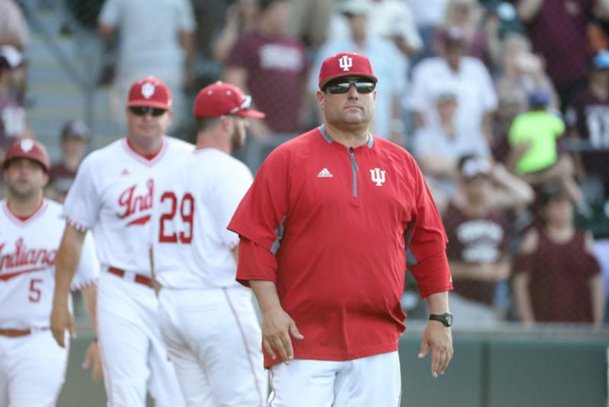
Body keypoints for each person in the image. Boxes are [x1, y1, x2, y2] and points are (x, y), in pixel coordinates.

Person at [227, 51, 454, 406]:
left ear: (375, 96)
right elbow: (254, 237)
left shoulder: (402, 163)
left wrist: (440, 316)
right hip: (302, 338)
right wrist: (270, 311)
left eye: (363, 86)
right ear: (321, 97)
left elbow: (430, 243)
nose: (353, 93)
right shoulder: (288, 158)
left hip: (376, 339)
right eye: (339, 86)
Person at [50, 77, 191, 406]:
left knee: (177, 398)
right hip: (120, 288)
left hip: (175, 288)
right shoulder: (99, 164)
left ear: (169, 116)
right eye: (139, 110)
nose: (147, 117)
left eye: (155, 111)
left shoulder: (191, 160)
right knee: (125, 396)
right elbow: (73, 235)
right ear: (126, 114)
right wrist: (60, 301)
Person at [150, 82, 267, 405]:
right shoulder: (230, 171)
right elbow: (243, 249)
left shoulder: (167, 171)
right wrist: (272, 307)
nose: (246, 125)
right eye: (242, 118)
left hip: (172, 305)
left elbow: (151, 250)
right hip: (216, 303)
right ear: (227, 122)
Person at [0, 138, 100, 406]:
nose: (23, 171)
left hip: (41, 337)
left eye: (31, 166)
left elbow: (91, 283)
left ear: (45, 176)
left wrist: (100, 337)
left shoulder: (67, 223)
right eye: (16, 165)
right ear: (5, 173)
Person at [443, 155, 533, 326]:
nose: (480, 187)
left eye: (484, 181)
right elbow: (440, 266)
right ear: (464, 185)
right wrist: (476, 271)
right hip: (459, 300)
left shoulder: (498, 219)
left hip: (492, 302)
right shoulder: (452, 218)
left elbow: (505, 257)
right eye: (474, 182)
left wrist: (502, 270)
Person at [513, 181, 604, 326]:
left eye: (565, 204)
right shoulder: (533, 239)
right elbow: (520, 283)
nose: (562, 209)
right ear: (544, 211)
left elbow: (595, 283)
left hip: (579, 321)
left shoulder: (585, 239)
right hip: (543, 320)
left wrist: (597, 320)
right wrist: (527, 320)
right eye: (555, 205)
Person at [97, 0, 196, 131]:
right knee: (167, 121)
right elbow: (186, 34)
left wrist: (116, 40)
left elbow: (105, 27)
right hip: (168, 65)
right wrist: (187, 68)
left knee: (132, 120)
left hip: (132, 64)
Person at [48, 119, 90, 203]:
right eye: (70, 141)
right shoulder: (52, 171)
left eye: (78, 141)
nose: (74, 146)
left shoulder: (89, 172)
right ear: (63, 143)